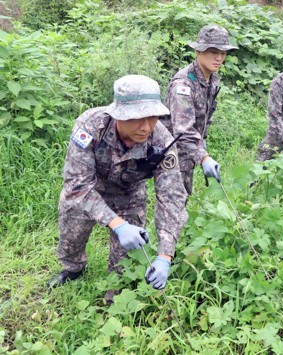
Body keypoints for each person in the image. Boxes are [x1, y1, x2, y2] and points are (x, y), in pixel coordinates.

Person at [47, 75, 188, 304]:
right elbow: (77, 185)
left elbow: (172, 197)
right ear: (119, 114)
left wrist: (165, 255)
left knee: (126, 257)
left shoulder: (162, 141)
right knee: (71, 235)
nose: (146, 127)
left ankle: (116, 292)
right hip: (88, 190)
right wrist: (117, 224)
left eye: (153, 117)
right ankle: (73, 268)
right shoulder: (91, 126)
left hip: (128, 192)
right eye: (137, 118)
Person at [161, 24, 238, 195]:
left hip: (191, 148)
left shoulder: (212, 79)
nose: (218, 58)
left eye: (223, 53)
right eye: (213, 52)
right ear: (199, 52)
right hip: (173, 150)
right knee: (174, 201)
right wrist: (204, 157)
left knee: (184, 196)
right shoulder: (183, 85)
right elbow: (182, 130)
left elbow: (205, 114)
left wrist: (201, 142)